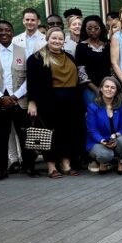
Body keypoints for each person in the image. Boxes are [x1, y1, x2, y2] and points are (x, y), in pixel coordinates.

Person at [0, 20, 35, 180]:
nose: (4, 33)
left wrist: (15, 96)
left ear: (12, 32)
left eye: (7, 30)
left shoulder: (23, 51)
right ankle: (2, 169)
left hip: (19, 100)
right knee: (1, 137)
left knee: (24, 135)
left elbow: (29, 78)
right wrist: (1, 97)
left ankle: (29, 166)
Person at [26, 28, 83, 178]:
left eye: (60, 39)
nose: (57, 41)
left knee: (68, 132)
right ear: (47, 39)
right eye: (54, 38)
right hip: (49, 101)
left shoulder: (70, 57)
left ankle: (66, 163)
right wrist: (32, 102)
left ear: (64, 41)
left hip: (71, 101)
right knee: (50, 134)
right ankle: (51, 166)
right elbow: (32, 83)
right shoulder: (36, 58)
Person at [86, 76, 122, 174]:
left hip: (116, 139)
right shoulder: (92, 107)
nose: (109, 89)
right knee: (106, 155)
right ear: (101, 89)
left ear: (116, 91)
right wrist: (103, 141)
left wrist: (116, 135)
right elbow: (92, 131)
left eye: (112, 87)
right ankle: (103, 162)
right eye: (106, 86)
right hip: (98, 141)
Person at [76, 15, 111, 108]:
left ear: (101, 28)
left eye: (96, 28)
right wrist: (96, 89)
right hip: (89, 88)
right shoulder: (81, 46)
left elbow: (112, 67)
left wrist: (108, 86)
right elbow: (80, 70)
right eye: (89, 28)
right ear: (85, 29)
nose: (93, 31)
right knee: (93, 115)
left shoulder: (108, 46)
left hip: (108, 87)